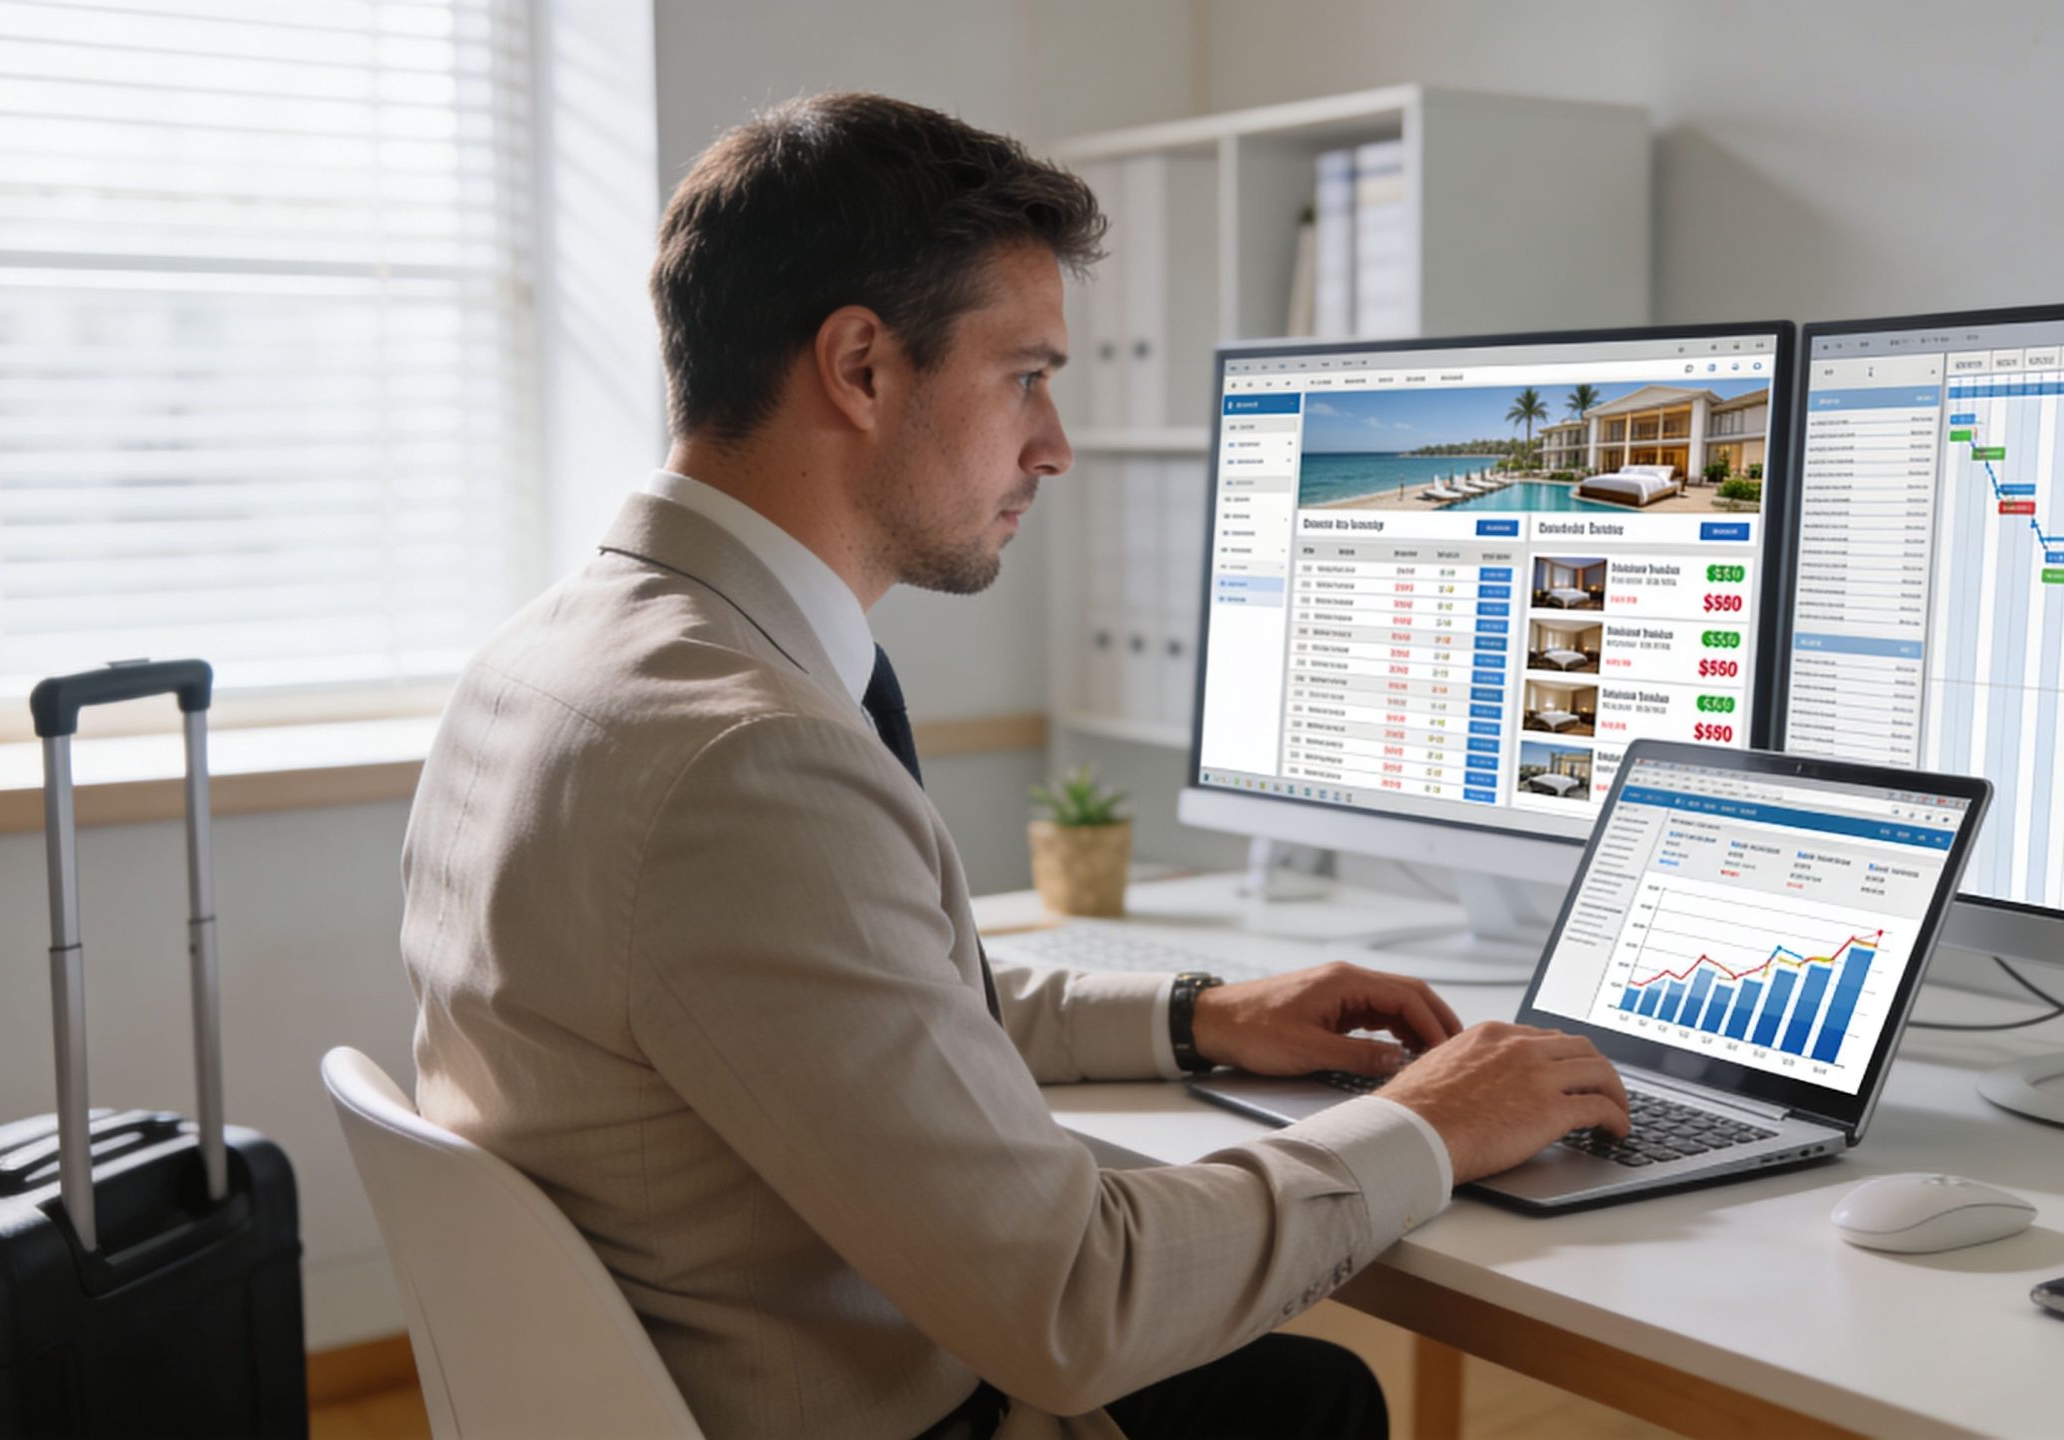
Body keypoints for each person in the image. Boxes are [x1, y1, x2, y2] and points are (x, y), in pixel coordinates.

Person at [400, 91, 1631, 1440]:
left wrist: (1200, 1015)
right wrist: (1432, 1125)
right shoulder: (750, 761)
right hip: (877, 1407)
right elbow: (1076, 1304)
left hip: (706, 1369)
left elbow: (863, 1011)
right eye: (1027, 377)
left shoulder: (546, 662)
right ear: (861, 367)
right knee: (1308, 1402)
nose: (1054, 444)